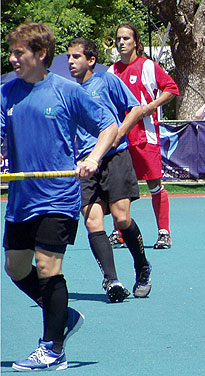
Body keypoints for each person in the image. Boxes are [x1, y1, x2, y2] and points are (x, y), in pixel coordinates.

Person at [1, 23, 117, 370]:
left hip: (58, 197)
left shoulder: (67, 91)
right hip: (21, 200)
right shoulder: (7, 94)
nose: (12, 58)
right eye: (12, 52)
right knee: (15, 267)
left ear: (40, 54)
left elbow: (108, 126)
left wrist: (93, 158)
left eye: (19, 52)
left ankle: (53, 348)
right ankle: (61, 316)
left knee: (48, 266)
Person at [67, 38, 153, 302]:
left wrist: (118, 135)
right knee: (92, 221)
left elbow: (135, 108)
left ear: (91, 60)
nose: (70, 62)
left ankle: (142, 266)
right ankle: (112, 280)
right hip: (85, 164)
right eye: (69, 57)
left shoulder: (107, 81)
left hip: (115, 157)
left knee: (121, 219)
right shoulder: (68, 91)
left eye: (76, 57)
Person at [107, 22, 179, 249]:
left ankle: (164, 232)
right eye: (118, 39)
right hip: (121, 138)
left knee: (154, 184)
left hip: (145, 136)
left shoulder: (148, 67)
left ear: (136, 42)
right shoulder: (111, 72)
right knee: (119, 187)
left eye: (126, 39)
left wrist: (151, 107)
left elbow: (172, 89)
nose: (121, 43)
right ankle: (119, 233)